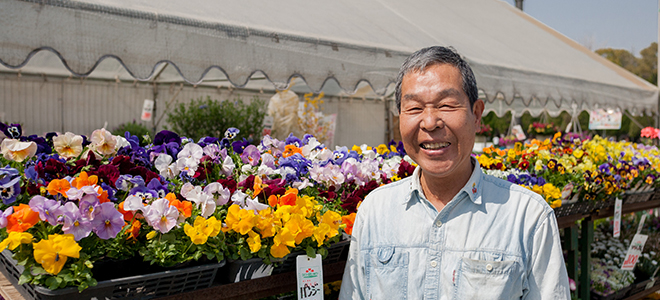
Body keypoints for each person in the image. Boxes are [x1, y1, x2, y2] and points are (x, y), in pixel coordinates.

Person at [339, 46, 570, 299]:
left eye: (447, 105)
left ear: (477, 114)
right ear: (400, 118)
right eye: (414, 108)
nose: (430, 122)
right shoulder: (376, 210)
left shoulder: (527, 217)